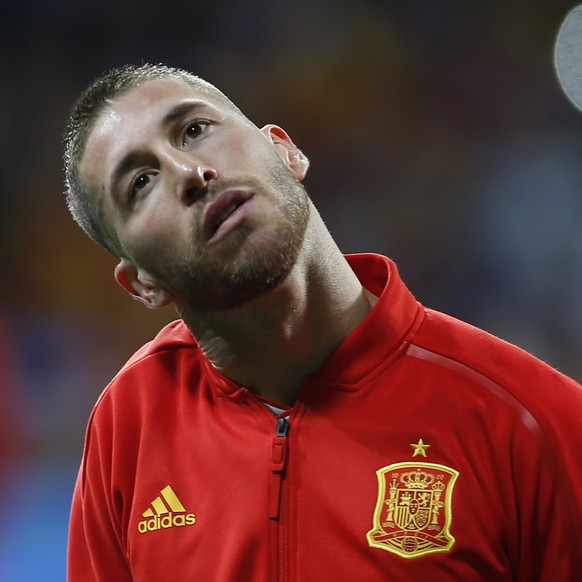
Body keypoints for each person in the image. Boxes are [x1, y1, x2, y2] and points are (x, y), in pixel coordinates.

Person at [63, 63, 582, 581]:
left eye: (195, 130)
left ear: (285, 150)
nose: (189, 174)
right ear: (142, 284)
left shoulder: (532, 417)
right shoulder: (128, 425)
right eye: (141, 182)